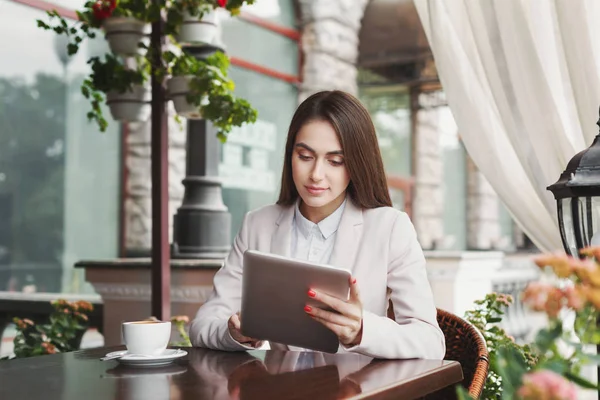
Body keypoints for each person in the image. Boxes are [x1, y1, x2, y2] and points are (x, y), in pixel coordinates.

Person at [189, 90, 446, 359]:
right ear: (290, 155)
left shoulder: (390, 228)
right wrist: (235, 334)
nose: (316, 175)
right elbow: (203, 325)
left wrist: (361, 330)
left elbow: (430, 343)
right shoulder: (258, 224)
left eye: (335, 161)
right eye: (305, 156)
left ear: (356, 164)